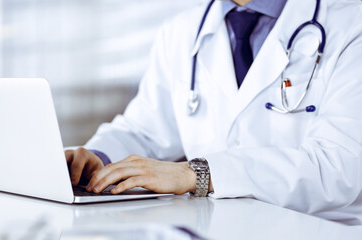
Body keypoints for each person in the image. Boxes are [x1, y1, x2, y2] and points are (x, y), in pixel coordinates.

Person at [65, 0, 362, 225]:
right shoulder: (182, 31)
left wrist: (197, 174)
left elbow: (339, 165)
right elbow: (145, 129)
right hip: (217, 227)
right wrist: (97, 158)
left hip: (323, 228)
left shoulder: (351, 23)